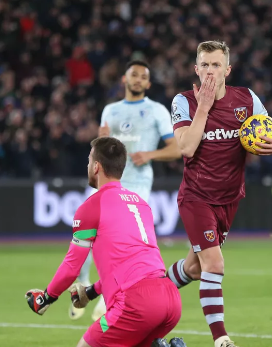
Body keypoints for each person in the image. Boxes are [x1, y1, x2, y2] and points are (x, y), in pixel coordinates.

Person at [166, 40, 272, 347]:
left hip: (230, 199)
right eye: (205, 65)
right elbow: (186, 147)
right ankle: (221, 339)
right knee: (215, 264)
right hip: (196, 197)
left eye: (216, 65)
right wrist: (205, 107)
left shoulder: (246, 99)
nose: (210, 71)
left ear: (227, 70)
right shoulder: (183, 101)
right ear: (196, 69)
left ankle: (146, 291)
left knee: (195, 268)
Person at [25, 137, 184, 347]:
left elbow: (73, 266)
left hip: (136, 303)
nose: (88, 165)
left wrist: (47, 297)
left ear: (97, 167)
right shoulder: (141, 203)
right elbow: (131, 265)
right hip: (169, 298)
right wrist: (91, 292)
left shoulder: (92, 206)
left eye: (90, 160)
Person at [73, 60, 181, 321]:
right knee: (82, 234)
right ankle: (82, 284)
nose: (138, 80)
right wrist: (100, 138)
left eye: (143, 77)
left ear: (148, 83)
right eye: (134, 75)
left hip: (137, 187)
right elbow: (100, 148)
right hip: (106, 183)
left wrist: (151, 154)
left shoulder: (156, 110)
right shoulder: (111, 109)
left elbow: (176, 148)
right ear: (124, 79)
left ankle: (109, 299)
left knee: (123, 244)